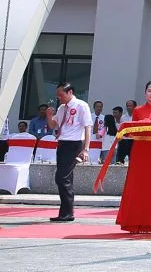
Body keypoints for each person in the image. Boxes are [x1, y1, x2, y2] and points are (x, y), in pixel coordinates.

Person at [117, 80, 151, 234]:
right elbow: (133, 129)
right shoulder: (138, 110)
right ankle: (134, 221)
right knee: (137, 184)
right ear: (145, 92)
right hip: (139, 150)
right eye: (149, 91)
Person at [47, 81, 93, 222]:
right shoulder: (62, 108)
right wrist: (49, 115)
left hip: (75, 144)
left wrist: (86, 148)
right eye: (58, 95)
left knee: (62, 177)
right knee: (65, 178)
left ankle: (67, 212)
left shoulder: (81, 105)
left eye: (61, 95)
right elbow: (53, 125)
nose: (59, 97)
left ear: (70, 92)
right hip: (62, 143)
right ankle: (66, 212)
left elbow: (87, 127)